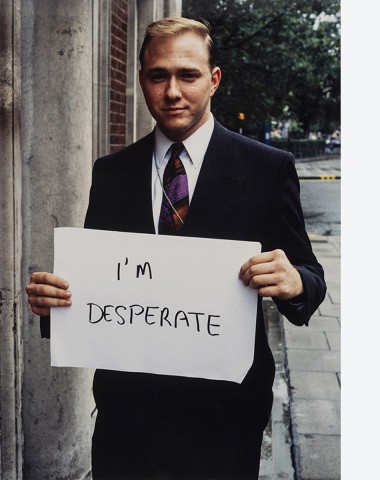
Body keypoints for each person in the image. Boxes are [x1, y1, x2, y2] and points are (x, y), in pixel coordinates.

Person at [25, 16, 326, 479]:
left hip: (224, 415)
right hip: (128, 415)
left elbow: (309, 277)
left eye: (187, 75)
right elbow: (96, 286)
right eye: (158, 75)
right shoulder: (113, 172)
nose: (172, 92)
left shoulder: (268, 168)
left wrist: (294, 282)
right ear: (142, 78)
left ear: (214, 80)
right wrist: (56, 304)